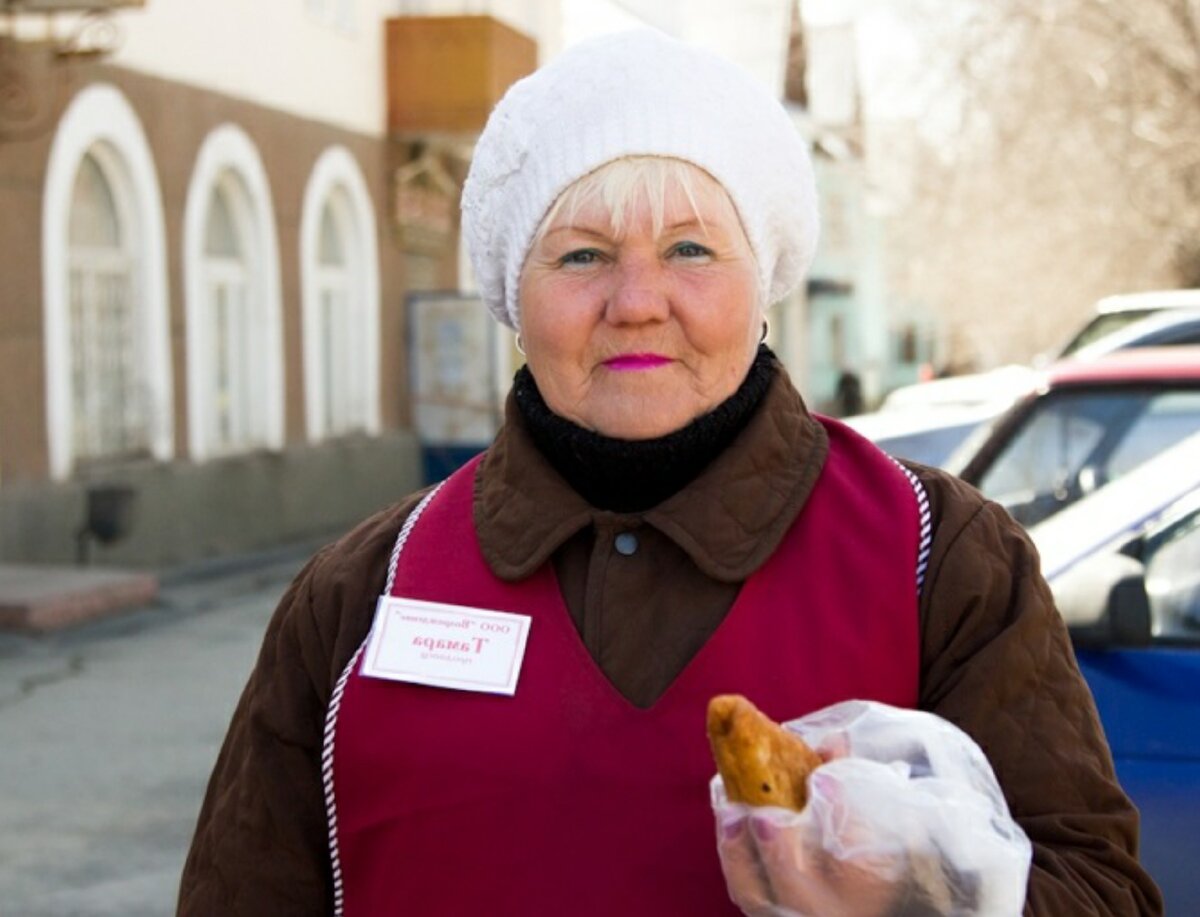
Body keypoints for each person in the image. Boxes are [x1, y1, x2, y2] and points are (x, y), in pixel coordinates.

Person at [177, 29, 1162, 917]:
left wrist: (923, 894)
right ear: (513, 293)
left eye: (692, 247)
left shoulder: (942, 560)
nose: (638, 300)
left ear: (764, 274)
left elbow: (1104, 889)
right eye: (581, 256)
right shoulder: (359, 593)